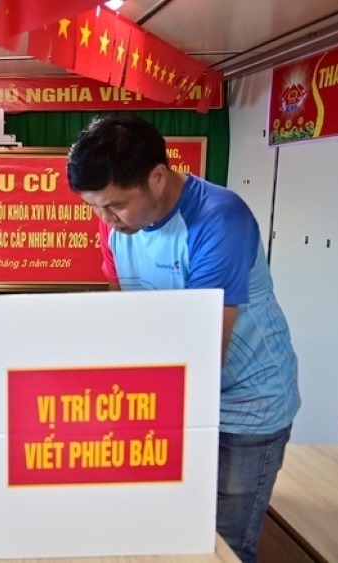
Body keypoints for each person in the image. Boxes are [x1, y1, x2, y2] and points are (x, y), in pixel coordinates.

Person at [66, 113, 300, 563]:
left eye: (114, 206)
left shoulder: (219, 220)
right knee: (168, 529)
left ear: (157, 177)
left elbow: (205, 350)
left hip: (245, 406)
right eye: (94, 207)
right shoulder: (116, 221)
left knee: (226, 543)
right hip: (173, 394)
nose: (104, 219)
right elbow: (122, 314)